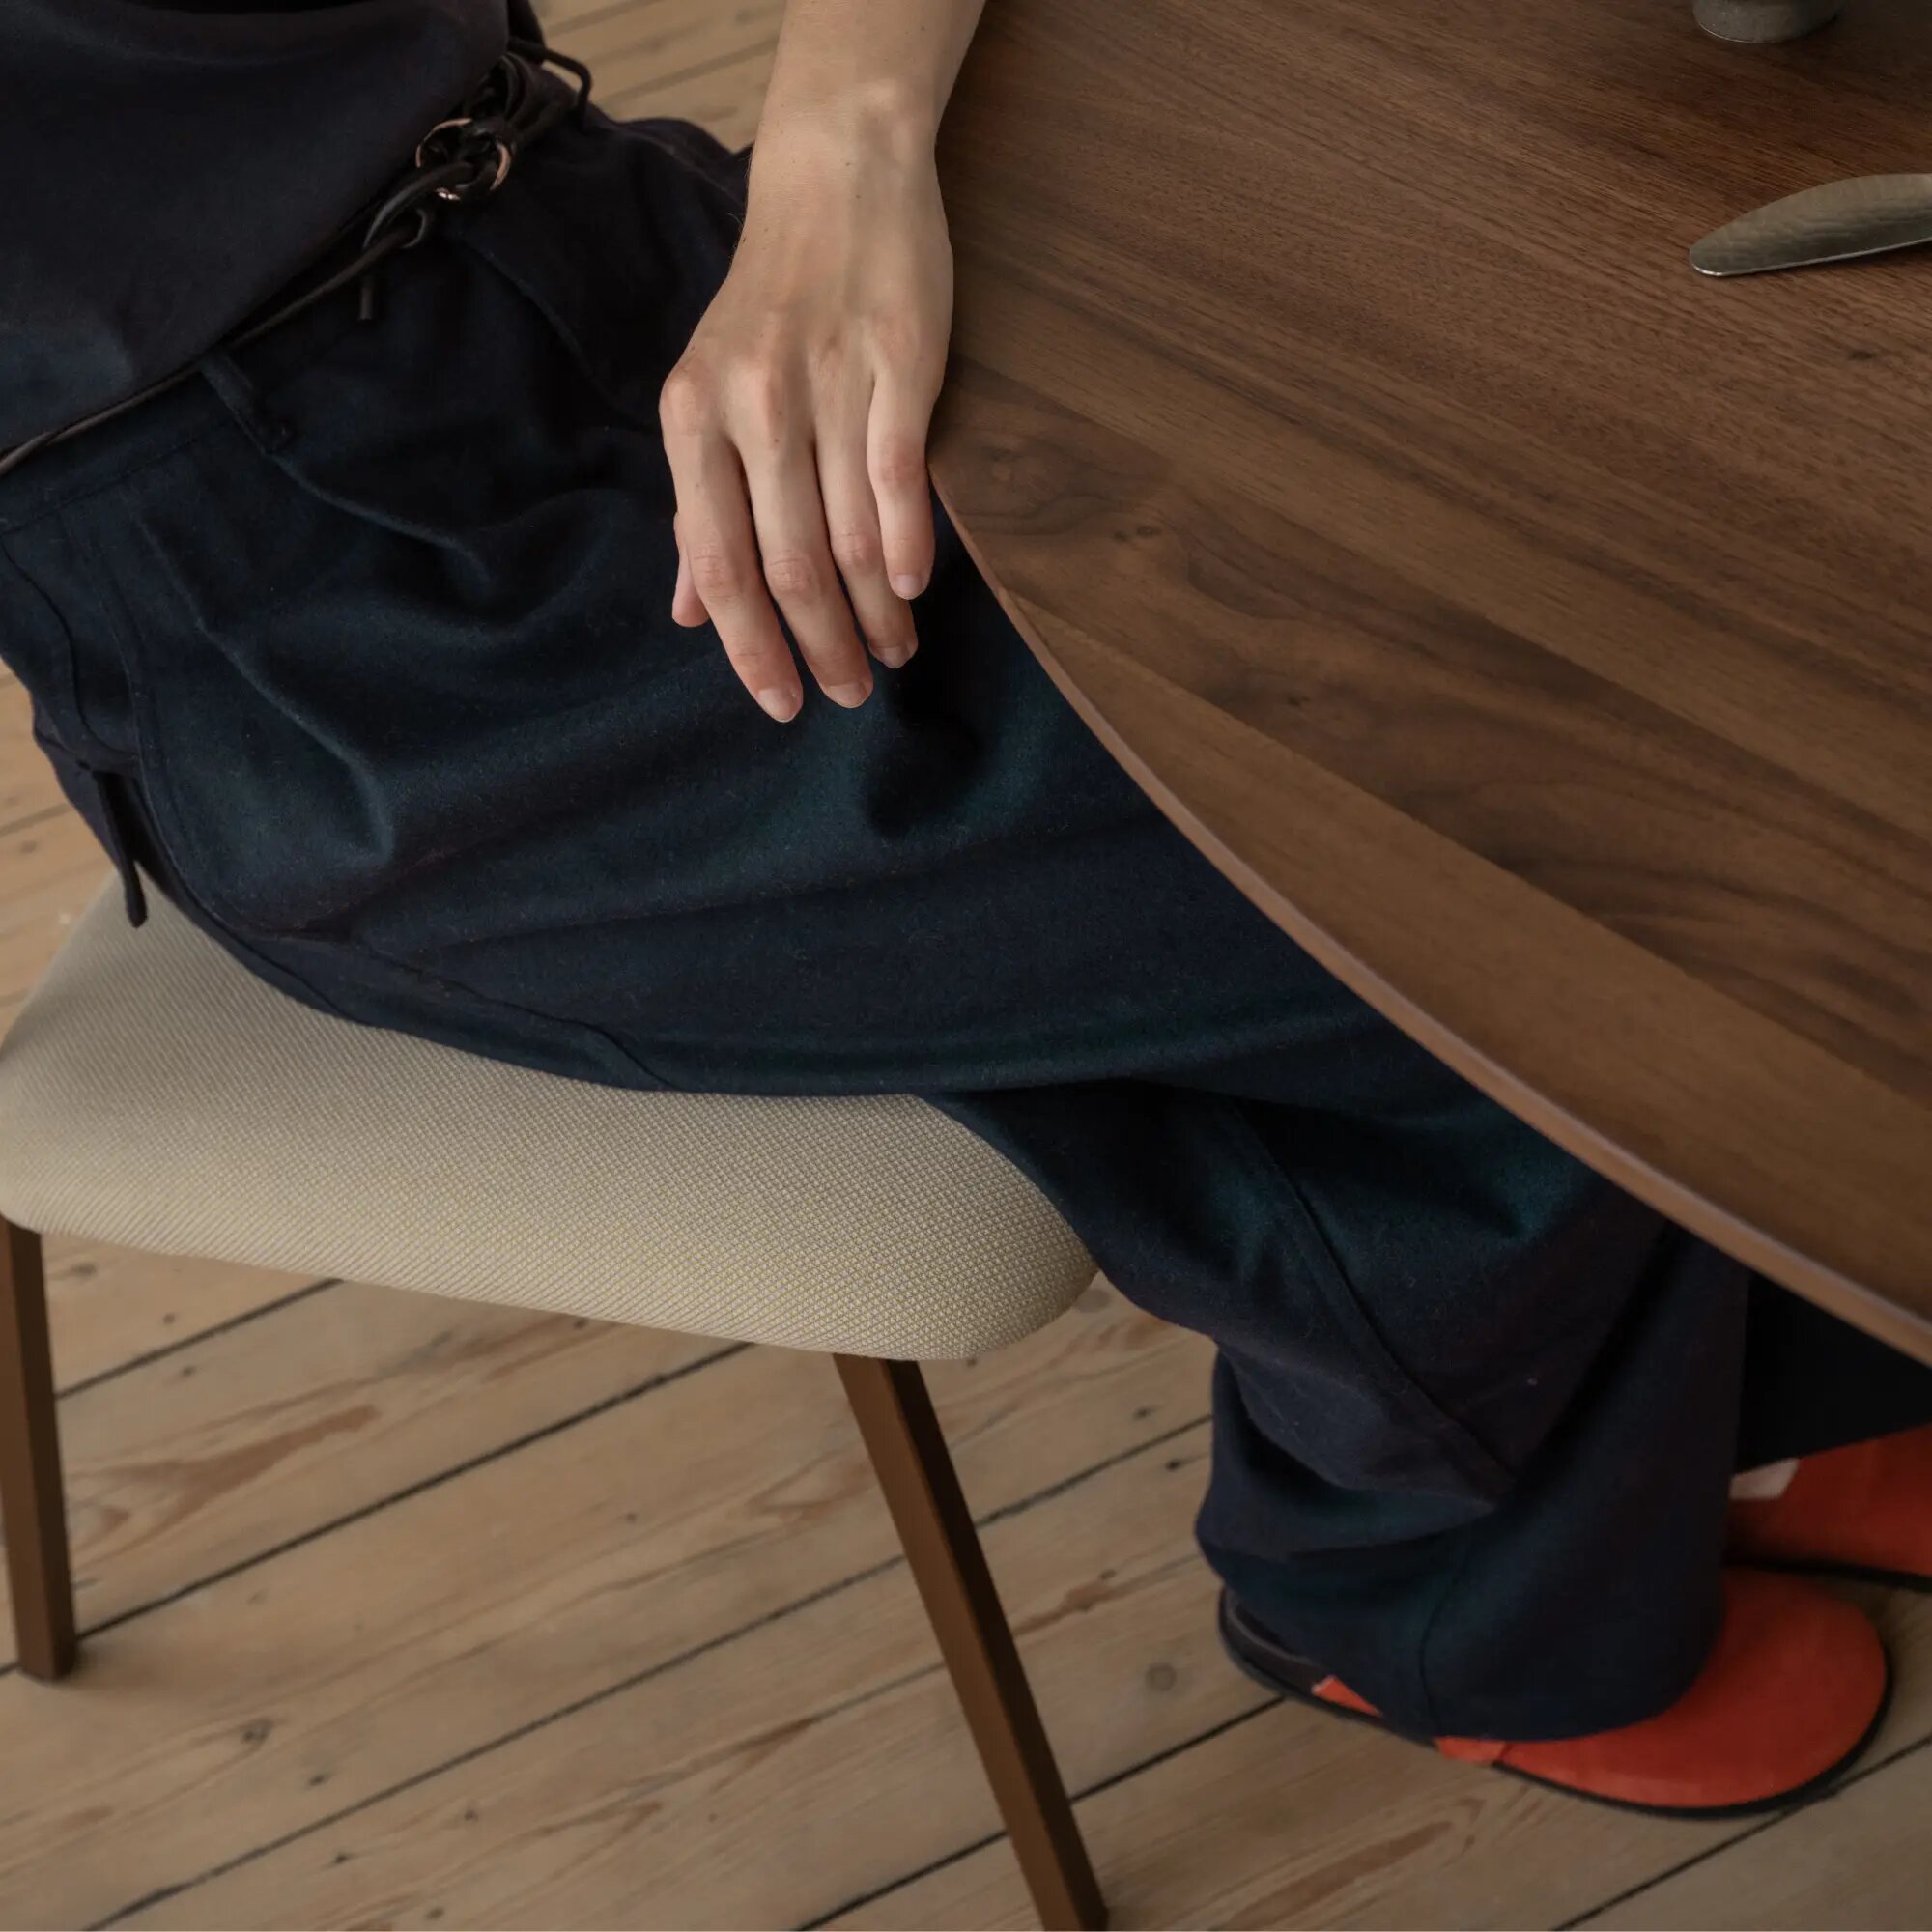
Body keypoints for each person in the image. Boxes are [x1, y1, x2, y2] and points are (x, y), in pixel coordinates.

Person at [6, 0, 1930, 1815]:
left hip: (584, 223)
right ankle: (1444, 1602)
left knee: (1550, 502)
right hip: (329, 639)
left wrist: (841, 153)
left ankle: (1756, 1391)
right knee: (1481, 838)